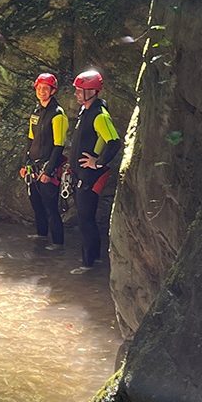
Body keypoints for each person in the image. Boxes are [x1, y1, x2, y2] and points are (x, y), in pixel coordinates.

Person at [69, 69, 121, 273]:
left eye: (80, 91)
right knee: (84, 217)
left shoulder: (99, 115)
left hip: (90, 176)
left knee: (86, 218)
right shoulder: (86, 111)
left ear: (92, 91)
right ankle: (94, 258)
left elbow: (114, 142)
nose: (76, 94)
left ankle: (88, 263)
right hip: (80, 174)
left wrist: (97, 163)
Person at [19, 72, 69, 251]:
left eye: (45, 88)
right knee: (36, 203)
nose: (42, 91)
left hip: (48, 166)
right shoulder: (36, 112)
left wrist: (48, 172)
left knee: (50, 206)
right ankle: (41, 235)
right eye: (39, 88)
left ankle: (57, 242)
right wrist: (25, 164)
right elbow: (30, 141)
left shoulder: (58, 114)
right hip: (34, 166)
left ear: (52, 91)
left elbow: (59, 146)